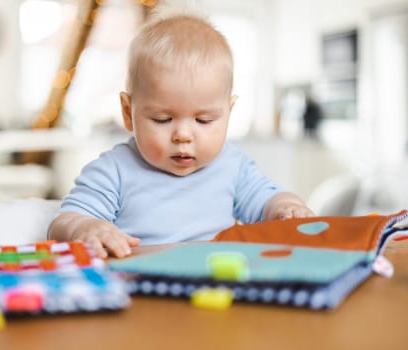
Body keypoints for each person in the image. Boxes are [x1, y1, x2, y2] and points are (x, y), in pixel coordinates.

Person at [48, 9, 314, 258]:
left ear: (228, 112)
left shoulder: (233, 167)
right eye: (163, 119)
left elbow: (267, 202)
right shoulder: (113, 171)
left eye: (203, 119)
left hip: (216, 282)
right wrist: (85, 228)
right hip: (141, 287)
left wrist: (287, 207)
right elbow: (63, 222)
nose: (183, 135)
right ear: (128, 113)